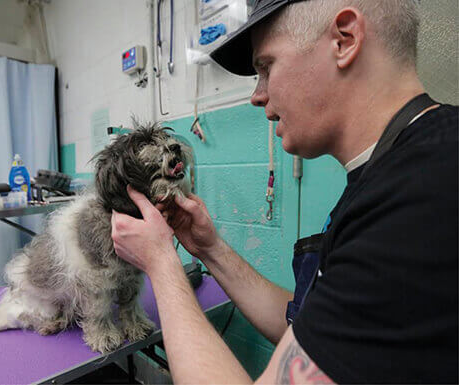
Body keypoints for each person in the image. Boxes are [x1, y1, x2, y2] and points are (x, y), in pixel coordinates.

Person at [111, 0, 458, 383]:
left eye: (266, 67)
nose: (257, 96)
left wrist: (161, 262)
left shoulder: (423, 196)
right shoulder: (395, 174)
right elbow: (309, 329)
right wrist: (208, 248)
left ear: (344, 40)